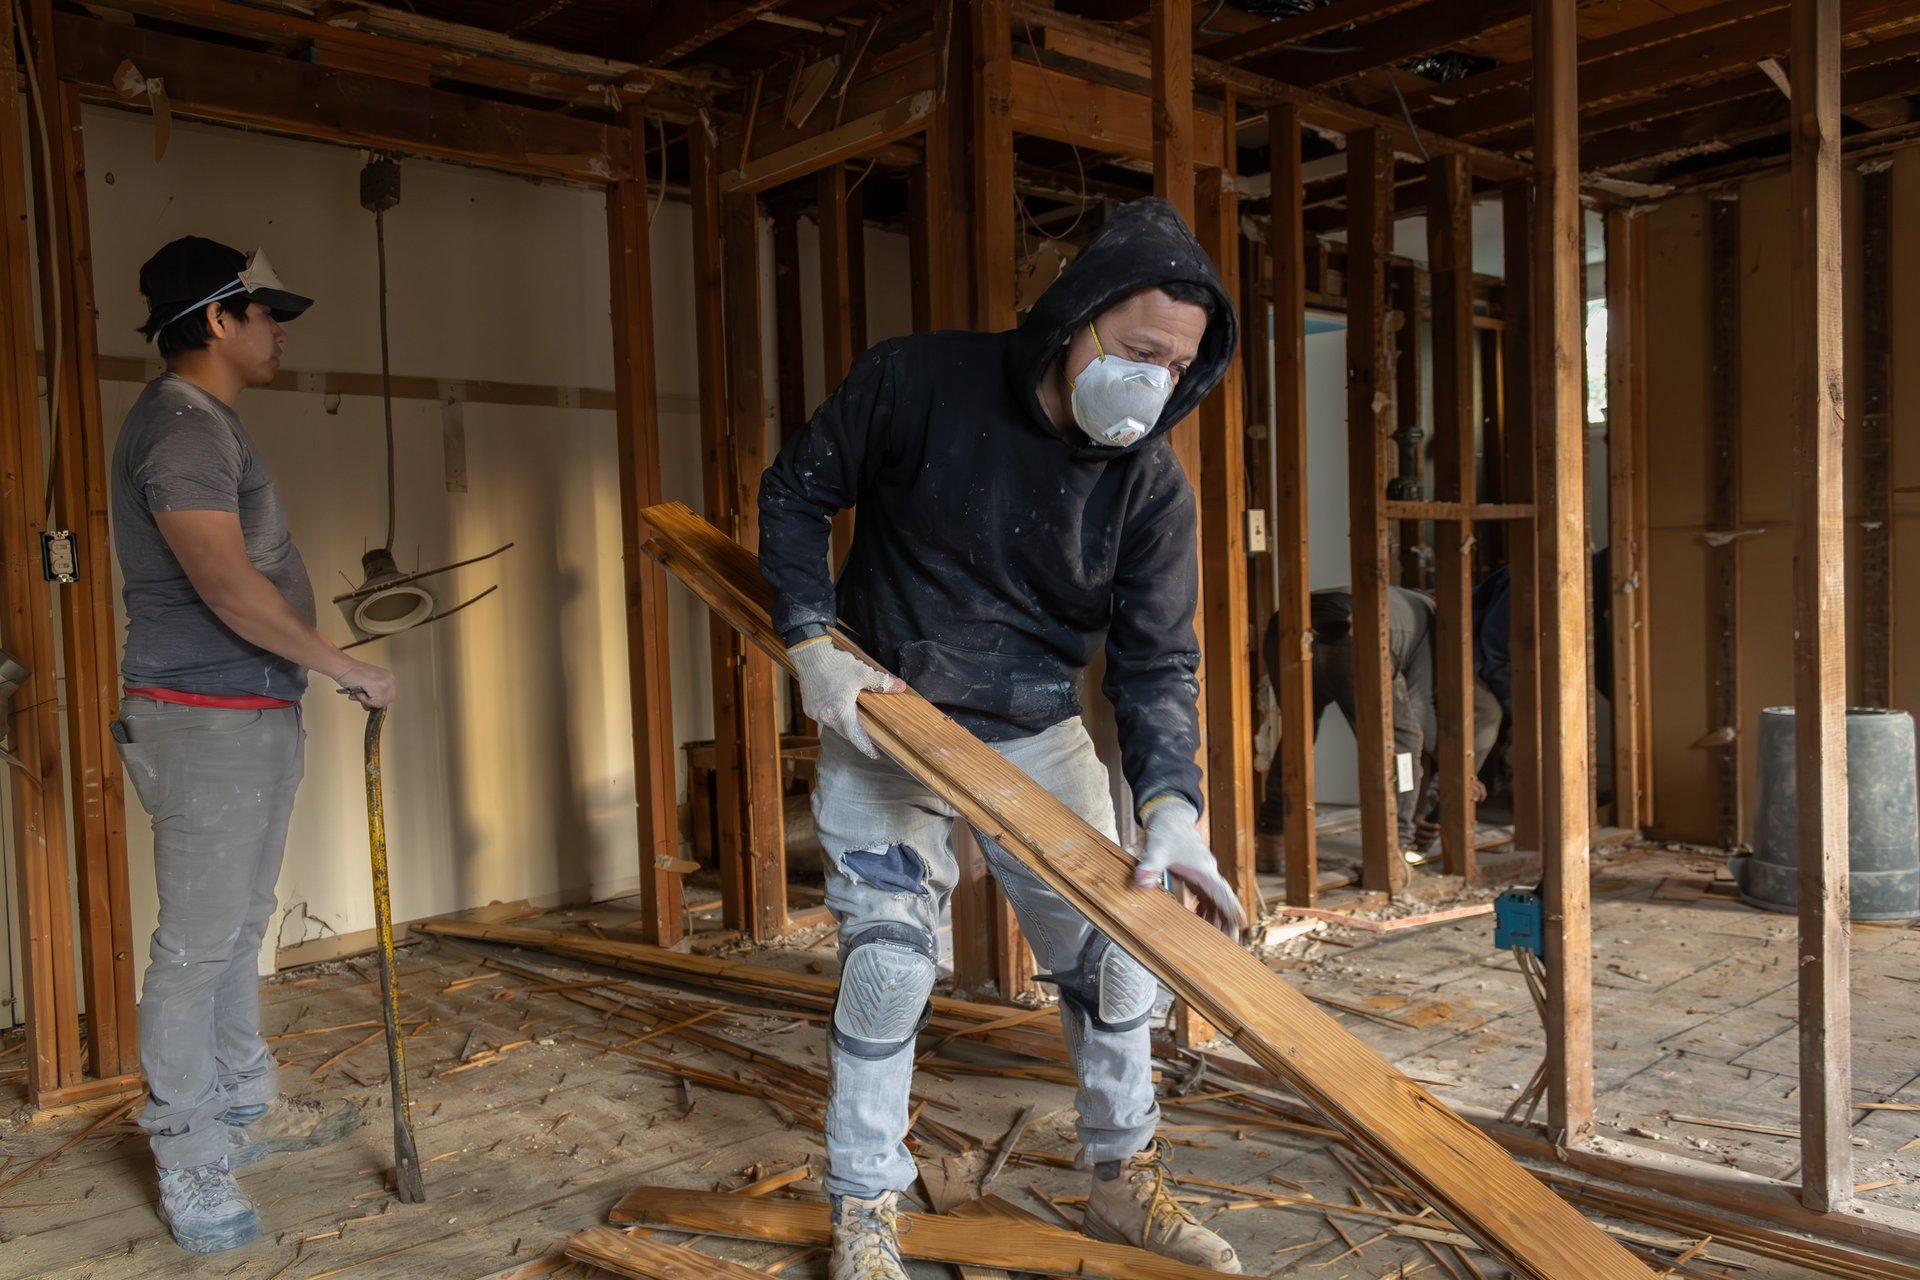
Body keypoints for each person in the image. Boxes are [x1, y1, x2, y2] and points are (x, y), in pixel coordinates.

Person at [760, 199, 1246, 1278]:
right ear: (1075, 317)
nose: (1154, 382)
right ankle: (866, 1203)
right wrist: (810, 640)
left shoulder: (1150, 484)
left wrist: (1174, 808)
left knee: (1122, 966)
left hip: (1035, 724)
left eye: (1179, 367)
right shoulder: (916, 383)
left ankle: (1123, 1182)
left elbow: (1159, 661)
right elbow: (795, 495)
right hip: (889, 707)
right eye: (1138, 351)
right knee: (888, 967)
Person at [111, 236, 397, 1254]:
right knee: (195, 944)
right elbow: (228, 589)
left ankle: (239, 1106)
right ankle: (188, 1156)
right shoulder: (183, 434)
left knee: (238, 924)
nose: (278, 332)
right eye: (267, 313)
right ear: (219, 319)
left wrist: (308, 669)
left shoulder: (208, 424)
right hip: (204, 719)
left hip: (247, 712)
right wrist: (344, 663)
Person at [1257, 587, 1501, 857]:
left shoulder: (1404, 602)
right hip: (1350, 635)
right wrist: (1459, 767)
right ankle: (1395, 848)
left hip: (1284, 630)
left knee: (1297, 734)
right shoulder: (1433, 622)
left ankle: (1271, 839)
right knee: (1405, 741)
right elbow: (1419, 711)